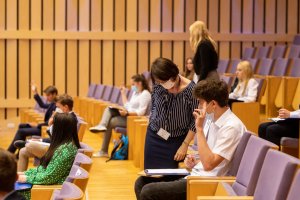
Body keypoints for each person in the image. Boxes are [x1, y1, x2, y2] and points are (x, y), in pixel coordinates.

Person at [135, 80, 246, 200]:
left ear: (213, 104)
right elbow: (211, 158)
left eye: (200, 102)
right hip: (197, 174)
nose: (198, 106)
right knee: (141, 182)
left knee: (148, 191)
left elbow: (209, 165)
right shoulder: (212, 118)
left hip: (206, 182)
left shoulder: (231, 126)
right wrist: (196, 161)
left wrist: (199, 128)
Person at [144, 57, 198, 169]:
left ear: (173, 75)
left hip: (176, 140)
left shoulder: (191, 90)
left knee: (170, 178)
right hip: (155, 135)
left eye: (164, 81)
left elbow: (195, 120)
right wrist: (152, 120)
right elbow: (154, 105)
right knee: (151, 176)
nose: (161, 84)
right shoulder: (158, 86)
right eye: (159, 82)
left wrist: (185, 144)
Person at [17, 113, 80, 200]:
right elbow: (45, 169)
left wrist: (26, 178)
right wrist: (25, 174)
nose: (51, 127)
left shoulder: (65, 151)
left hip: (47, 190)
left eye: (54, 125)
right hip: (47, 184)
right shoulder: (64, 146)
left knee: (7, 190)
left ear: (60, 129)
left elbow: (49, 177)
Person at [90, 74, 151, 157]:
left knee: (111, 122)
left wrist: (127, 113)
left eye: (133, 84)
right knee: (109, 109)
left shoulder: (145, 94)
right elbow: (127, 105)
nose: (132, 87)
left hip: (134, 119)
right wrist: (123, 93)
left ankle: (103, 150)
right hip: (128, 115)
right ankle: (102, 126)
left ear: (139, 83)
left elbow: (141, 112)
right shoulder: (135, 93)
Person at [17, 94, 78, 172]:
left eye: (58, 107)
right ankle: (19, 179)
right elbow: (54, 137)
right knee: (23, 151)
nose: (56, 109)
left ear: (65, 107)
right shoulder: (64, 117)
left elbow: (57, 139)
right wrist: (41, 140)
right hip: (55, 145)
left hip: (59, 151)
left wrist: (51, 123)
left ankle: (27, 143)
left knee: (30, 145)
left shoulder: (69, 119)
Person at [7, 84, 57, 153]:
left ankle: (9, 152)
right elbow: (42, 105)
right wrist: (35, 92)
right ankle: (19, 153)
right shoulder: (53, 103)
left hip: (44, 129)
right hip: (43, 126)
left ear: (54, 94)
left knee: (21, 131)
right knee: (21, 126)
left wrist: (37, 125)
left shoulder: (56, 105)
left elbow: (49, 122)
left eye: (48, 95)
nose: (46, 97)